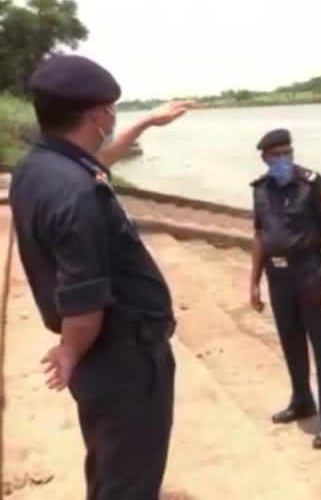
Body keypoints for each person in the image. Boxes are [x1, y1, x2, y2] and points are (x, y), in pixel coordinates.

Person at [9, 54, 192, 499]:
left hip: (104, 360)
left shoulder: (38, 169)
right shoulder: (77, 194)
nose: (113, 118)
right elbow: (83, 301)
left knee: (110, 466)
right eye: (110, 110)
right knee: (131, 480)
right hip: (123, 359)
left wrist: (147, 122)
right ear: (95, 115)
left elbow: (97, 159)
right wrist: (70, 351)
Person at [249, 128, 321, 449]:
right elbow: (260, 235)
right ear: (264, 158)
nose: (283, 160)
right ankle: (302, 399)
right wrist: (254, 282)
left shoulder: (313, 185)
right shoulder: (260, 189)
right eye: (275, 155)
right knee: (290, 341)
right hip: (278, 277)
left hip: (309, 273)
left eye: (286, 153)